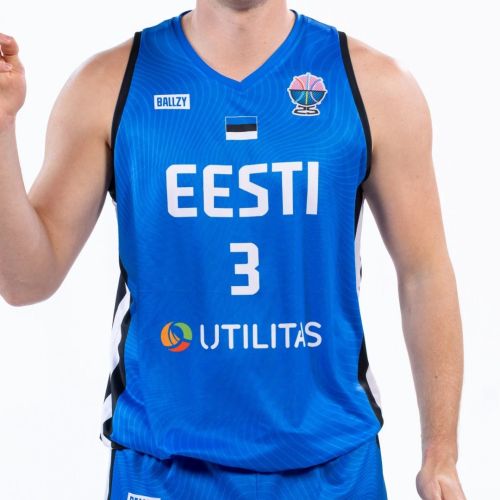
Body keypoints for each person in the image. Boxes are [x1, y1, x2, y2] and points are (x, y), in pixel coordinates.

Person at [0, 1, 466, 498]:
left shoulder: (374, 85)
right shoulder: (108, 85)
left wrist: (441, 453)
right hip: (164, 467)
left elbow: (423, 271)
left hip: (332, 467)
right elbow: (25, 281)